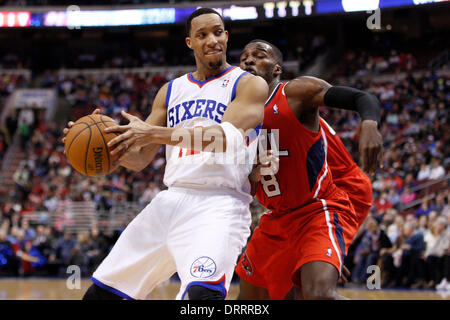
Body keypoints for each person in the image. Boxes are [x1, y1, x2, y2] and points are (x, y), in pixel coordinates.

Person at [63, 8, 268, 300]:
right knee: (100, 296)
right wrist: (106, 146)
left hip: (219, 204)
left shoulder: (247, 84)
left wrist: (153, 133)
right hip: (170, 201)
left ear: (226, 36)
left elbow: (223, 139)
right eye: (203, 34)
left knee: (200, 300)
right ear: (190, 43)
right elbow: (140, 159)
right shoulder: (170, 91)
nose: (212, 40)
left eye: (218, 32)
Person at [235, 39, 382, 300]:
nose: (248, 60)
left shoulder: (295, 93)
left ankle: (319, 258)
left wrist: (369, 123)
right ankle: (317, 260)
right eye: (244, 57)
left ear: (277, 68)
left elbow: (362, 97)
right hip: (279, 215)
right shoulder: (235, 114)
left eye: (258, 56)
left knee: (317, 294)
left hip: (322, 203)